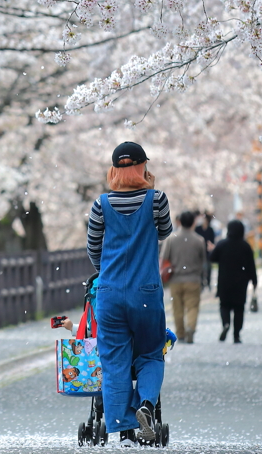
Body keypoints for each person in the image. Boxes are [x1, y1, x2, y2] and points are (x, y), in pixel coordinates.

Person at [87, 141, 172, 445]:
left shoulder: (101, 204)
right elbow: (164, 232)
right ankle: (146, 404)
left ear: (114, 170)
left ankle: (124, 431)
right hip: (146, 292)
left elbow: (93, 248)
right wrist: (150, 191)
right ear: (143, 168)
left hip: (110, 294)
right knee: (151, 353)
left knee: (114, 362)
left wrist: (108, 273)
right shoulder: (157, 199)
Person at [161, 211, 207, 343]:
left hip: (175, 279)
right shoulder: (199, 240)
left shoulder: (171, 238)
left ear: (179, 221)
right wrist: (204, 278)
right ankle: (190, 328)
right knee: (192, 307)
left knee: (177, 307)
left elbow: (163, 258)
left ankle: (180, 334)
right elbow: (203, 262)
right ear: (193, 222)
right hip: (193, 279)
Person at [210, 220, 258, 343]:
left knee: (224, 305)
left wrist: (212, 249)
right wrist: (254, 281)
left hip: (225, 281)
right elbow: (251, 266)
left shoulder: (222, 244)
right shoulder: (245, 246)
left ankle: (226, 323)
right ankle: (236, 335)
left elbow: (212, 258)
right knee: (239, 308)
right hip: (241, 283)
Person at [193, 213, 216, 290]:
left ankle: (208, 282)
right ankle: (202, 283)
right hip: (200, 251)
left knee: (209, 267)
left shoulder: (210, 229)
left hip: (208, 251)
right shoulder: (198, 229)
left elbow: (212, 240)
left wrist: (211, 245)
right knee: (202, 268)